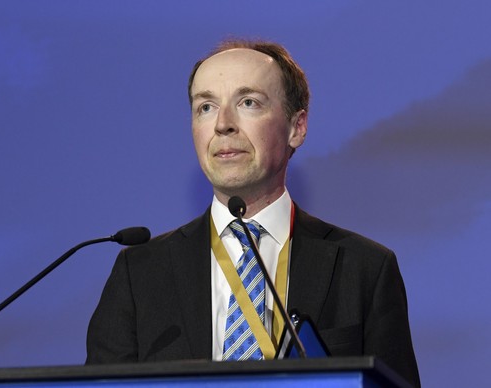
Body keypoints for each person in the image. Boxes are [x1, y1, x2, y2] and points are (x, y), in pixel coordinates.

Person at [86, 39, 420, 387]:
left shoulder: (365, 269)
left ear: (297, 127)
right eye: (206, 107)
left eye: (248, 102)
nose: (223, 124)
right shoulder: (139, 273)